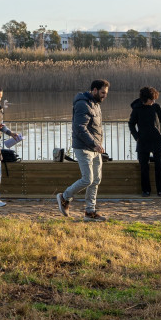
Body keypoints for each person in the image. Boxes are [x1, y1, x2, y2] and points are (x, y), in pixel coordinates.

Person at [55, 80, 109, 221]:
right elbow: (79, 128)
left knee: (96, 180)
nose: (105, 96)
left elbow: (94, 127)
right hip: (83, 147)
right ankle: (64, 197)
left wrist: (98, 145)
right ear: (95, 90)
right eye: (103, 92)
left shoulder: (95, 104)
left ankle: (90, 212)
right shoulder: (82, 104)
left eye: (106, 93)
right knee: (87, 179)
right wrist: (94, 143)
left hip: (95, 148)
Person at [129, 86, 161, 196]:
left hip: (158, 141)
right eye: (152, 99)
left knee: (159, 167)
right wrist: (136, 137)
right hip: (142, 142)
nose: (153, 101)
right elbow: (131, 124)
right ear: (145, 99)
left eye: (154, 99)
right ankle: (145, 190)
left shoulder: (156, 107)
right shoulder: (136, 109)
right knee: (144, 167)